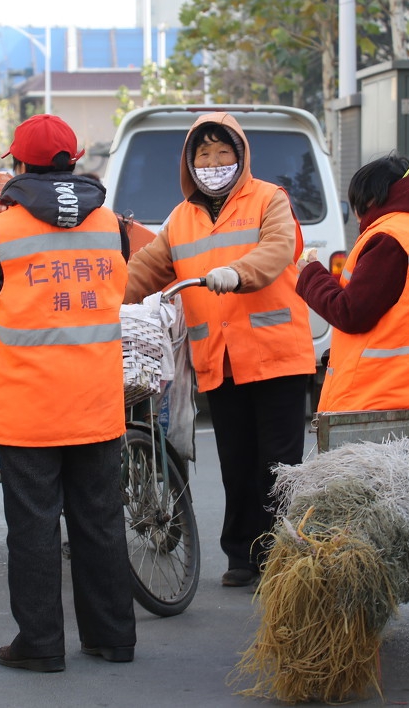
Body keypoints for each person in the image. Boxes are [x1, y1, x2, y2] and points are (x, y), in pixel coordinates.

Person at [0, 114, 136, 672]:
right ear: (72, 162)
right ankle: (114, 637)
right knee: (100, 520)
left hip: (29, 407)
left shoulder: (1, 232)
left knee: (34, 527)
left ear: (17, 167)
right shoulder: (110, 225)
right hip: (95, 401)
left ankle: (42, 644)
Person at [123, 112, 315, 589]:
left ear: (241, 156)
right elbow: (146, 270)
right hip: (220, 360)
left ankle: (280, 553)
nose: (213, 162)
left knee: (279, 464)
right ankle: (242, 554)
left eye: (222, 152)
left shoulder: (270, 199)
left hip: (276, 355)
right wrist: (103, 301)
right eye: (203, 154)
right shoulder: (180, 219)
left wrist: (238, 272)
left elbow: (277, 249)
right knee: (236, 461)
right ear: (190, 162)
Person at [296, 153, 409, 415]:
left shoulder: (391, 239)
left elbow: (349, 313)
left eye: (358, 206)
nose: (359, 218)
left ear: (372, 199)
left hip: (376, 400)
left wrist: (310, 272)